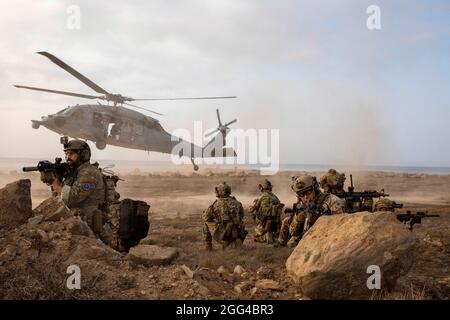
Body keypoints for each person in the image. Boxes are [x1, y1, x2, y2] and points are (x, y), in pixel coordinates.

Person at [40, 140, 111, 243]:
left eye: (71, 154)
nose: (68, 157)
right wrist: (57, 178)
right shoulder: (74, 173)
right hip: (77, 226)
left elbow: (72, 199)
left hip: (90, 230)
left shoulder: (89, 173)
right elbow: (58, 198)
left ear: (83, 155)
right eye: (66, 154)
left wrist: (54, 182)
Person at [275, 175, 345, 248]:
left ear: (315, 188)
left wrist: (320, 220)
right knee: (291, 243)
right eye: (301, 194)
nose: (305, 197)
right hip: (308, 238)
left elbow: (341, 226)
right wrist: (299, 219)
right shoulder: (302, 204)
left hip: (327, 237)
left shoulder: (333, 201)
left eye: (308, 192)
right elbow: (293, 232)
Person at [202, 182, 247, 250]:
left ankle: (208, 247)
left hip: (223, 234)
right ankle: (235, 242)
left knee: (205, 223)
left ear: (220, 192)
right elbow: (242, 215)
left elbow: (205, 217)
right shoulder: (237, 203)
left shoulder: (215, 204)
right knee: (240, 223)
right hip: (236, 232)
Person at [249, 179, 283, 244]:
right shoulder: (275, 197)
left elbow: (252, 209)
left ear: (261, 187)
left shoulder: (262, 196)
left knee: (255, 213)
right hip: (276, 221)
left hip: (264, 220)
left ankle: (262, 234)